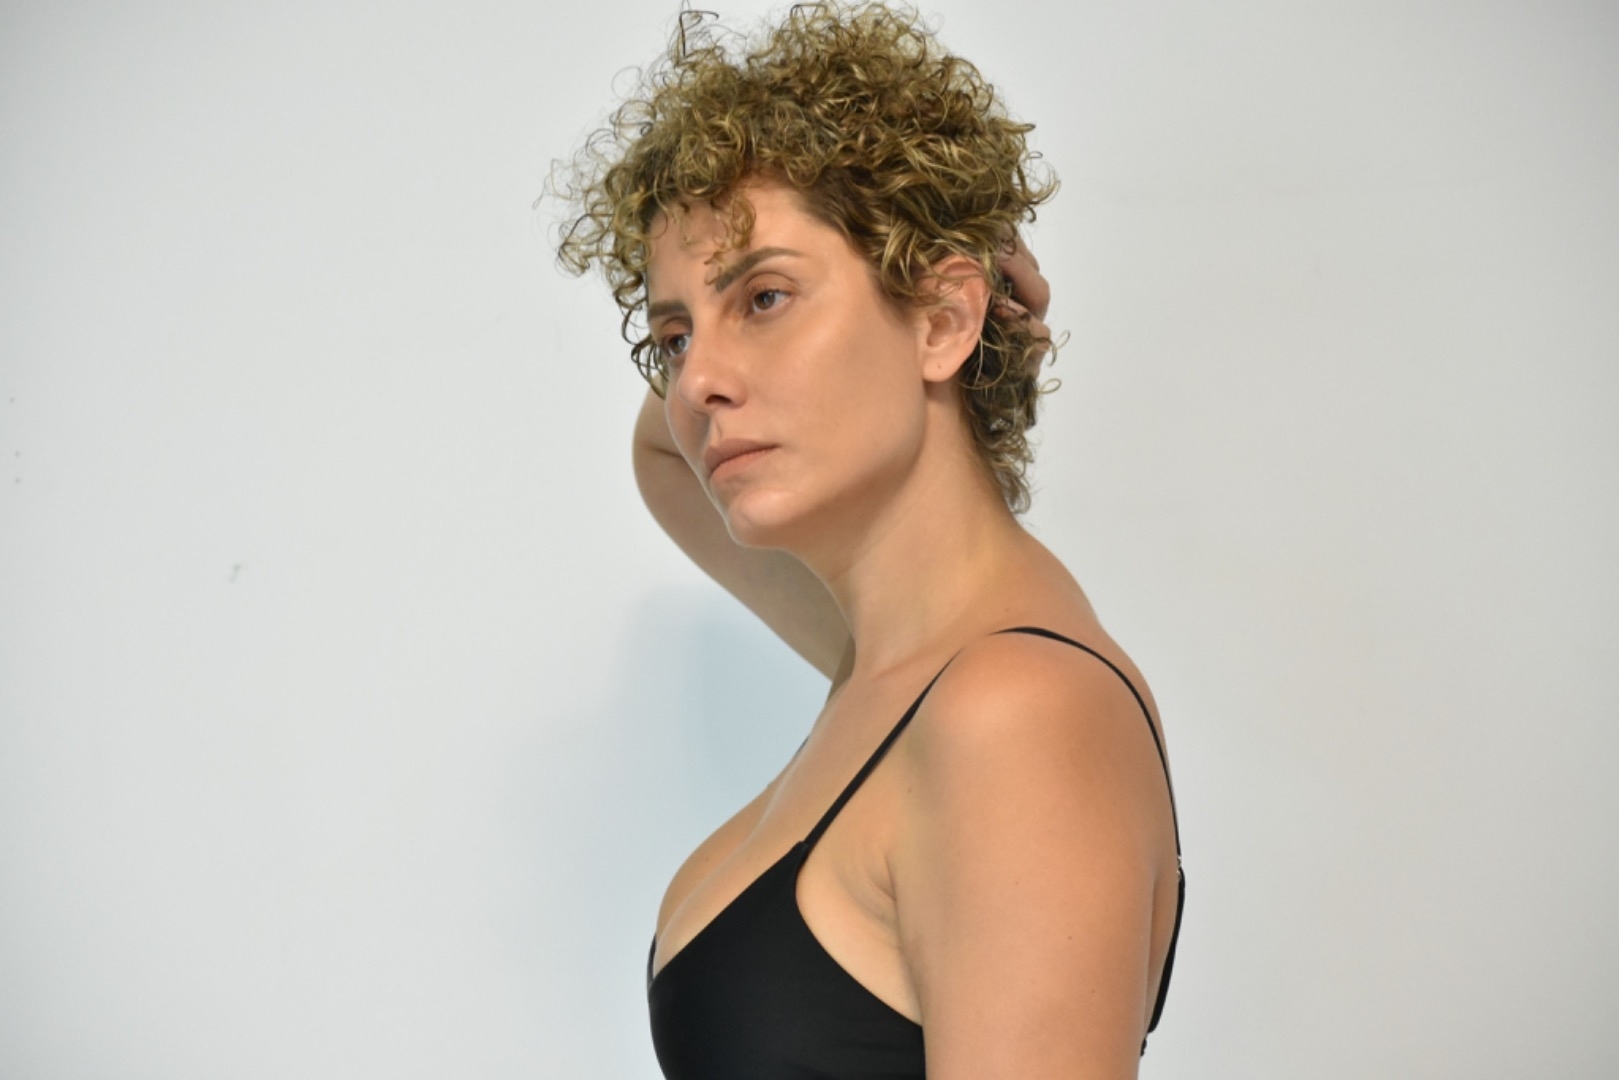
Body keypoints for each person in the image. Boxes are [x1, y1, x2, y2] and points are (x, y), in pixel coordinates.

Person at [555, 3, 1183, 1076]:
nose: (696, 383)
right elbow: (663, 455)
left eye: (764, 296)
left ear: (942, 319)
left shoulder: (1012, 715)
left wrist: (925, 249)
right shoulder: (894, 665)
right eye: (673, 336)